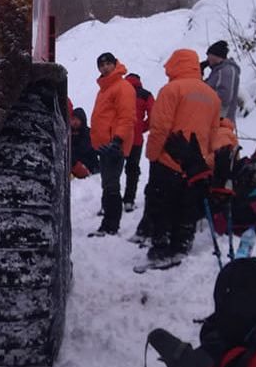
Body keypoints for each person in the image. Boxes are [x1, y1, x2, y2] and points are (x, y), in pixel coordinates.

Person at [142, 48, 222, 267]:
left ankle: (161, 248)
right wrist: (208, 161)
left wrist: (152, 154)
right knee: (187, 207)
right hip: (197, 164)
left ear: (176, 64)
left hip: (169, 159)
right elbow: (214, 133)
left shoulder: (171, 89)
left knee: (162, 204)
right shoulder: (212, 96)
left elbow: (160, 127)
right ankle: (182, 245)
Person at [88, 52, 135, 237]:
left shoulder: (122, 87)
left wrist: (117, 140)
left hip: (114, 146)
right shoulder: (105, 89)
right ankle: (108, 223)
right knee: (108, 184)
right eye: (101, 65)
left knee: (111, 186)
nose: (104, 67)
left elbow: (127, 117)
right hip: (105, 146)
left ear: (115, 65)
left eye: (108, 64)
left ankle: (111, 225)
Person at [124, 72, 154, 211]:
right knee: (133, 169)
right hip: (135, 138)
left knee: (114, 171)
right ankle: (129, 200)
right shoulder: (145, 94)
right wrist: (142, 128)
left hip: (118, 137)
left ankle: (109, 203)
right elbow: (153, 115)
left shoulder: (120, 91)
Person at [203, 40, 241, 120]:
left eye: (209, 55)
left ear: (215, 55)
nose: (207, 59)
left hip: (221, 120)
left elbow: (224, 97)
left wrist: (201, 100)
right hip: (216, 119)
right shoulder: (217, 71)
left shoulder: (225, 71)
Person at [69, 106, 98, 179]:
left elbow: (85, 150)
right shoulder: (67, 135)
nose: (75, 122)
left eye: (78, 119)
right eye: (73, 119)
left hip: (87, 167)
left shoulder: (89, 134)